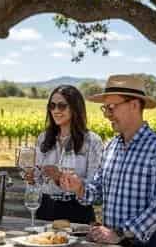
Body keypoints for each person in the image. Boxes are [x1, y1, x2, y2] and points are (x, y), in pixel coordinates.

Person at [61, 75, 156, 247]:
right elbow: (97, 191)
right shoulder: (111, 146)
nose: (107, 115)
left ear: (134, 105)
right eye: (105, 109)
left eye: (111, 108)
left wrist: (120, 232)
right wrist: (79, 187)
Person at [26, 84, 102, 224]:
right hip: (46, 209)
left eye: (61, 106)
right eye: (52, 105)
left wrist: (60, 177)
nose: (56, 110)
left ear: (75, 108)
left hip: (78, 211)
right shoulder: (43, 138)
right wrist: (33, 178)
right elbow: (39, 180)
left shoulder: (93, 141)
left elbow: (94, 185)